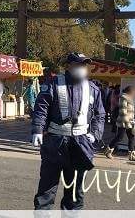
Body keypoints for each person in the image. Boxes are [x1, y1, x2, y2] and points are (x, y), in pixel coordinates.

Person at [31, 52, 105, 210]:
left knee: (75, 192)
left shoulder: (93, 88)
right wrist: (37, 129)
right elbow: (41, 108)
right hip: (55, 144)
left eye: (84, 65)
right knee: (47, 189)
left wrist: (95, 134)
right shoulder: (53, 83)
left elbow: (100, 114)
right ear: (68, 66)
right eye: (78, 65)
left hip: (80, 145)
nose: (82, 68)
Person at [105, 85, 135, 162]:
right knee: (119, 137)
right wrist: (127, 122)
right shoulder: (123, 98)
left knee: (131, 137)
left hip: (129, 121)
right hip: (124, 121)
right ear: (130, 91)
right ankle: (108, 151)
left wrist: (131, 121)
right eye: (134, 92)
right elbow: (123, 111)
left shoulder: (130, 99)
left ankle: (132, 155)